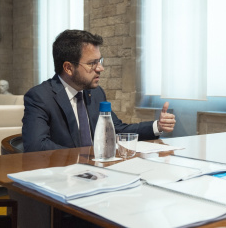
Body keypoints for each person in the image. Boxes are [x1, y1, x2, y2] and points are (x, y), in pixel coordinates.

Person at [22, 29, 176, 152]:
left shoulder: (96, 93)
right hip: (62, 178)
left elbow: (116, 130)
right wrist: (84, 158)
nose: (100, 68)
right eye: (92, 63)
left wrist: (157, 126)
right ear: (68, 68)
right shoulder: (40, 97)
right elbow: (36, 146)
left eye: (100, 61)